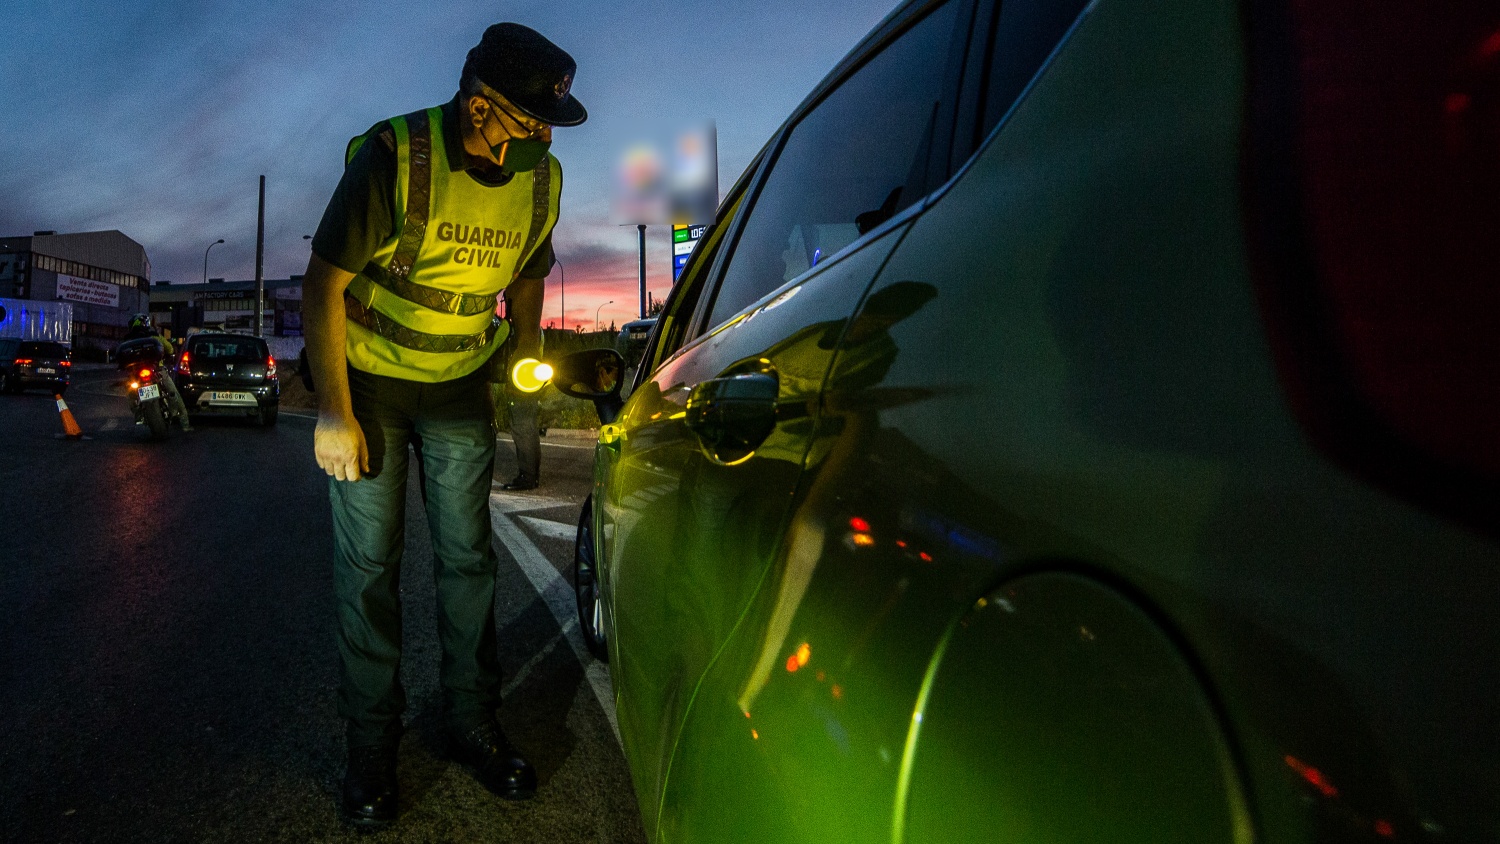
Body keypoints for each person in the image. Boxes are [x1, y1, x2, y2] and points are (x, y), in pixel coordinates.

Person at [300, 22, 586, 829]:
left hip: (460, 384)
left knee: (468, 561)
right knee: (370, 568)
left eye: (549, 125)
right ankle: (371, 748)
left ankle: (472, 723)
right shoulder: (396, 154)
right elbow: (322, 284)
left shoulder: (542, 180)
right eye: (530, 121)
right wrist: (333, 411)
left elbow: (529, 275)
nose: (541, 138)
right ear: (481, 104)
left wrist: (527, 358)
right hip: (371, 384)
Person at [121, 314, 191, 431]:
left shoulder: (128, 339)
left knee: (131, 394)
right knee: (174, 394)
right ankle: (185, 425)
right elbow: (169, 349)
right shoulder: (155, 336)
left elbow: (122, 357)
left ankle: (138, 414)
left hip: (137, 374)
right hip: (157, 370)